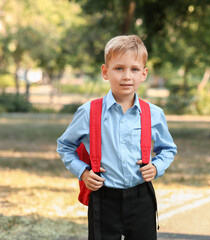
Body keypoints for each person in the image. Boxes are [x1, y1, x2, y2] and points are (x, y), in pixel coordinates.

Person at [57, 35, 177, 240]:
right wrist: (83, 173)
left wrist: (157, 167)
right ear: (105, 72)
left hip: (141, 198)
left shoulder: (154, 113)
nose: (127, 76)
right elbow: (65, 146)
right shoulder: (88, 112)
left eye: (134, 69)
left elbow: (168, 149)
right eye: (119, 68)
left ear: (144, 74)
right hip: (104, 199)